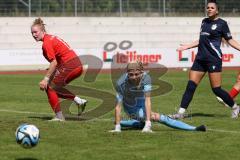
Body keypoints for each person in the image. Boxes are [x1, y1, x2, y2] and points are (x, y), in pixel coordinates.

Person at [170, 0, 240, 119]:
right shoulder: (204, 22)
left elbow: (230, 40)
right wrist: (187, 46)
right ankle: (180, 113)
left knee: (216, 90)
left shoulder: (222, 24)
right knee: (190, 86)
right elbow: (202, 40)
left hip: (213, 60)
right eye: (208, 7)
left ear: (217, 10)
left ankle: (235, 107)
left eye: (212, 8)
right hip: (200, 59)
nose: (209, 9)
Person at [110, 61, 206, 133]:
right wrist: (117, 128)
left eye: (136, 74)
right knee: (160, 117)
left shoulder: (146, 78)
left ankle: (133, 123)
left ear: (142, 72)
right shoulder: (121, 83)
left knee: (146, 119)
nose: (134, 77)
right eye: (131, 74)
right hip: (130, 106)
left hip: (142, 103)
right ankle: (194, 128)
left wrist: (148, 124)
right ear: (127, 73)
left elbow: (148, 101)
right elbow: (118, 105)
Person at [31, 18, 87, 121]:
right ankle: (79, 101)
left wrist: (46, 78)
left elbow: (54, 62)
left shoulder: (46, 43)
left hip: (71, 66)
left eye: (35, 32)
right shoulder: (51, 38)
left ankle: (59, 116)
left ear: (43, 31)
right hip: (76, 65)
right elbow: (60, 57)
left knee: (50, 87)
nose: (34, 34)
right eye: (32, 33)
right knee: (55, 88)